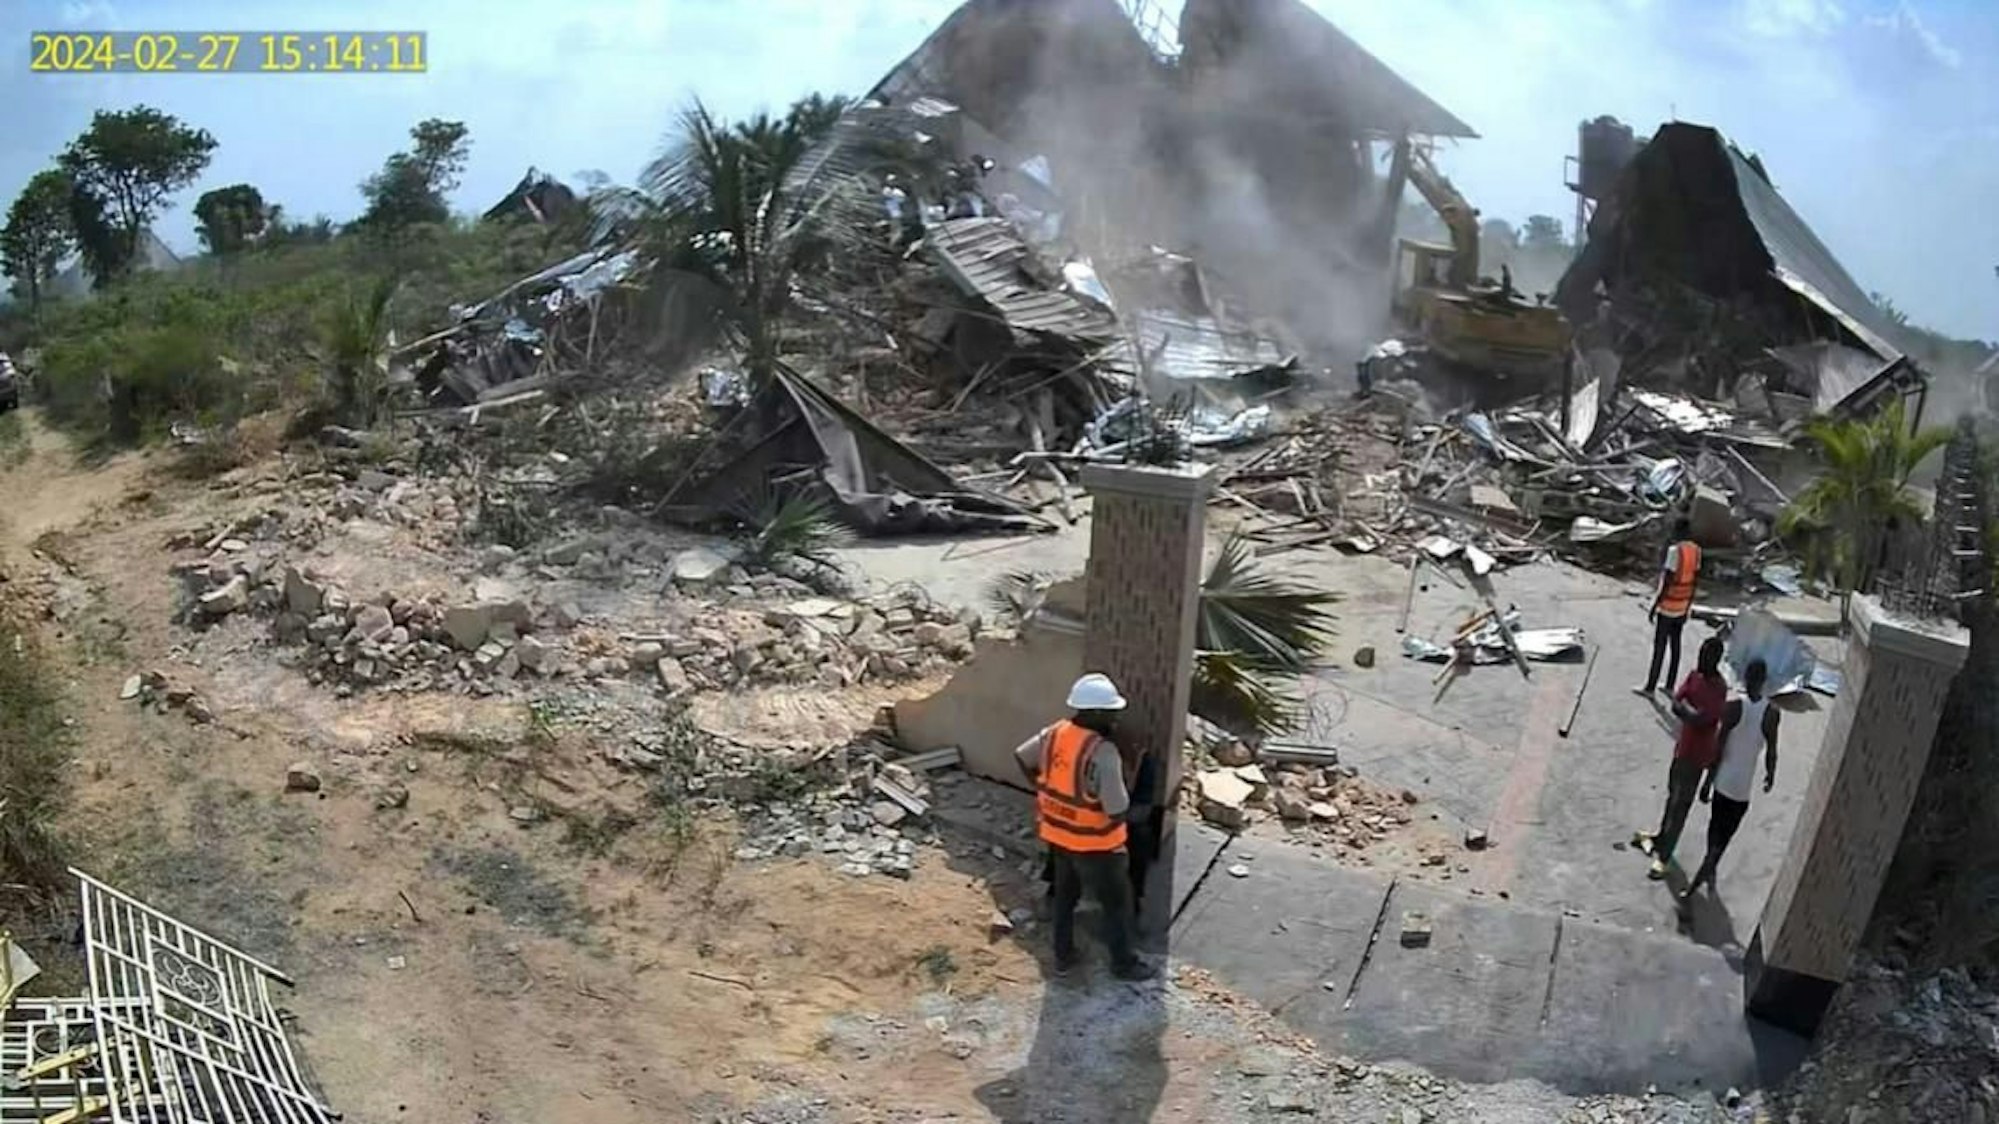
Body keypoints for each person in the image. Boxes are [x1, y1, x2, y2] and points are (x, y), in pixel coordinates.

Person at [1014, 673, 1157, 981]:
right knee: (1117, 905)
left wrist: (1043, 791)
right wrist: (1139, 815)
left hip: (1059, 836)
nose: (1116, 718)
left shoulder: (1054, 733)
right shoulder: (1103, 752)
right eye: (1111, 712)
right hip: (1097, 846)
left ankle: (1063, 957)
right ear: (1095, 714)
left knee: (1065, 898)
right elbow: (1116, 810)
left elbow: (1022, 756)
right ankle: (1123, 963)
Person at [1680, 658, 1782, 907]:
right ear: (1764, 681)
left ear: (1746, 678)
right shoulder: (1771, 713)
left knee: (1714, 835)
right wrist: (1771, 774)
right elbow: (1772, 749)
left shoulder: (1734, 707)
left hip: (1723, 784)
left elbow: (1718, 748)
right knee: (1721, 842)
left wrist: (1707, 781)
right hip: (1741, 792)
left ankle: (1693, 888)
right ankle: (1707, 873)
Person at [1635, 635, 1728, 880]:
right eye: (1700, 654)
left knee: (1681, 806)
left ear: (1716, 660)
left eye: (1706, 656)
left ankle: (1664, 858)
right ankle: (1660, 837)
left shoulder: (1719, 688)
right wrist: (1689, 712)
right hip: (1682, 748)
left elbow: (1704, 719)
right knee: (1671, 796)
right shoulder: (1694, 675)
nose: (1701, 659)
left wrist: (1687, 711)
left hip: (1697, 757)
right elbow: (1677, 701)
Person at [1634, 518, 1702, 696]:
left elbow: (1669, 580)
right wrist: (1688, 606)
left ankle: (1650, 687)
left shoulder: (1675, 551)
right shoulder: (1696, 551)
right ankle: (1670, 685)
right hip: (1682, 605)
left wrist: (1655, 604)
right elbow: (1695, 581)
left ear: (1677, 531)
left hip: (1668, 606)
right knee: (1676, 646)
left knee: (1660, 647)